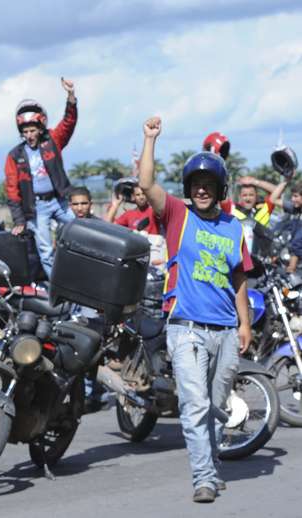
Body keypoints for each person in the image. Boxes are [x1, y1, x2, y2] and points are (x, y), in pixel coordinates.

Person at [139, 117, 252, 503]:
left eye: (208, 186)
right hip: (185, 326)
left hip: (225, 329)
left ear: (219, 190)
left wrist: (245, 324)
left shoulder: (233, 228)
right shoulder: (177, 215)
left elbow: (238, 279)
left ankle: (213, 464)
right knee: (195, 403)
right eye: (195, 185)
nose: (201, 191)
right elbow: (147, 184)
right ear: (188, 189)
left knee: (218, 406)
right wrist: (150, 140)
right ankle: (203, 477)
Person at [4, 77, 78, 279]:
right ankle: (58, 289)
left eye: (33, 130)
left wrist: (70, 96)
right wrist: (19, 219)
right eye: (25, 131)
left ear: (41, 127)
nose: (29, 135)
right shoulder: (14, 156)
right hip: (37, 208)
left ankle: (81, 278)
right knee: (46, 251)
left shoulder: (53, 141)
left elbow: (68, 123)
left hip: (59, 200)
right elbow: (12, 189)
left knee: (81, 230)